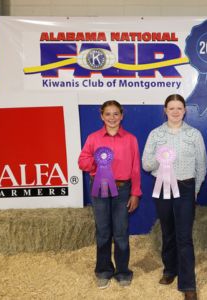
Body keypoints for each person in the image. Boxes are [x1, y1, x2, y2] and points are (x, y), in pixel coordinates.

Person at [142, 94, 207, 300]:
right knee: (167, 230)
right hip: (162, 187)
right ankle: (170, 269)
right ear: (165, 110)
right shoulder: (155, 134)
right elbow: (146, 164)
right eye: (172, 108)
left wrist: (195, 190)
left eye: (180, 108)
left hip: (186, 187)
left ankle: (188, 283)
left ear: (185, 110)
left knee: (184, 236)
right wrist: (159, 158)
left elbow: (201, 165)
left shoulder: (194, 134)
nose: (176, 112)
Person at [78, 100, 141, 289]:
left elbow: (135, 168)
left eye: (115, 114)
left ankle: (122, 271)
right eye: (108, 114)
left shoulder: (131, 139)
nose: (112, 118)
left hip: (123, 189)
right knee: (103, 231)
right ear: (101, 116)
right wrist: (97, 163)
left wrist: (135, 193)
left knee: (121, 232)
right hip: (99, 188)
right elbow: (82, 161)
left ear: (122, 116)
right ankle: (104, 270)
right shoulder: (93, 138)